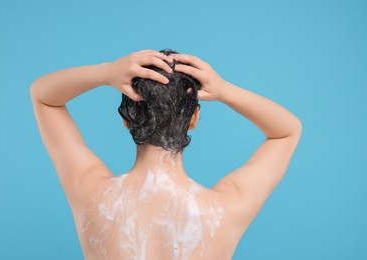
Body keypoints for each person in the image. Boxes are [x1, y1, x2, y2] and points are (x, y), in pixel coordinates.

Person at [30, 48, 302, 260]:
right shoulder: (227, 208)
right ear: (194, 118)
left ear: (127, 119)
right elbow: (288, 130)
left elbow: (43, 96)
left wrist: (106, 72)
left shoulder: (89, 191)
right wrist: (224, 90)